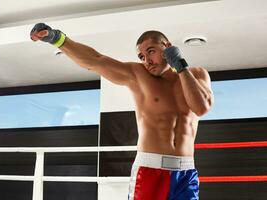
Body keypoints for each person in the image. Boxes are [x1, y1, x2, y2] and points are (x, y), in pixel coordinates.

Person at [30, 23, 214, 200]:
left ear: (167, 47)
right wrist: (56, 38)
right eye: (141, 56)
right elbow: (95, 60)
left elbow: (201, 107)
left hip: (186, 173)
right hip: (150, 170)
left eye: (151, 51)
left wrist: (180, 66)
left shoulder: (197, 75)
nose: (147, 61)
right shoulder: (139, 75)